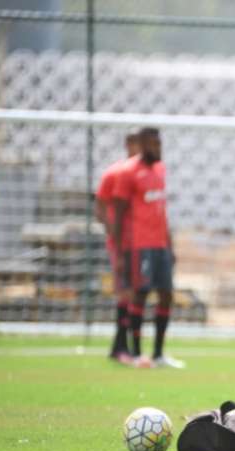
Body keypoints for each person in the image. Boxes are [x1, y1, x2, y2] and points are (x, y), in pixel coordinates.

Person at [113, 127, 184, 369]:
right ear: (142, 145)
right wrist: (120, 250)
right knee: (140, 294)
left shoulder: (160, 170)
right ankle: (136, 354)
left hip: (160, 244)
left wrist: (170, 245)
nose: (158, 149)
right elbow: (118, 213)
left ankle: (158, 354)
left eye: (159, 144)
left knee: (166, 294)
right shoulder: (128, 172)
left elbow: (162, 212)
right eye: (153, 145)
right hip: (139, 245)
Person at [95, 132, 140, 365]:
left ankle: (121, 347)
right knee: (125, 292)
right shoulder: (115, 173)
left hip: (141, 241)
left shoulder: (144, 174)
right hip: (122, 243)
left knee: (134, 293)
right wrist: (114, 235)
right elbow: (100, 207)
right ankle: (123, 347)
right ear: (128, 145)